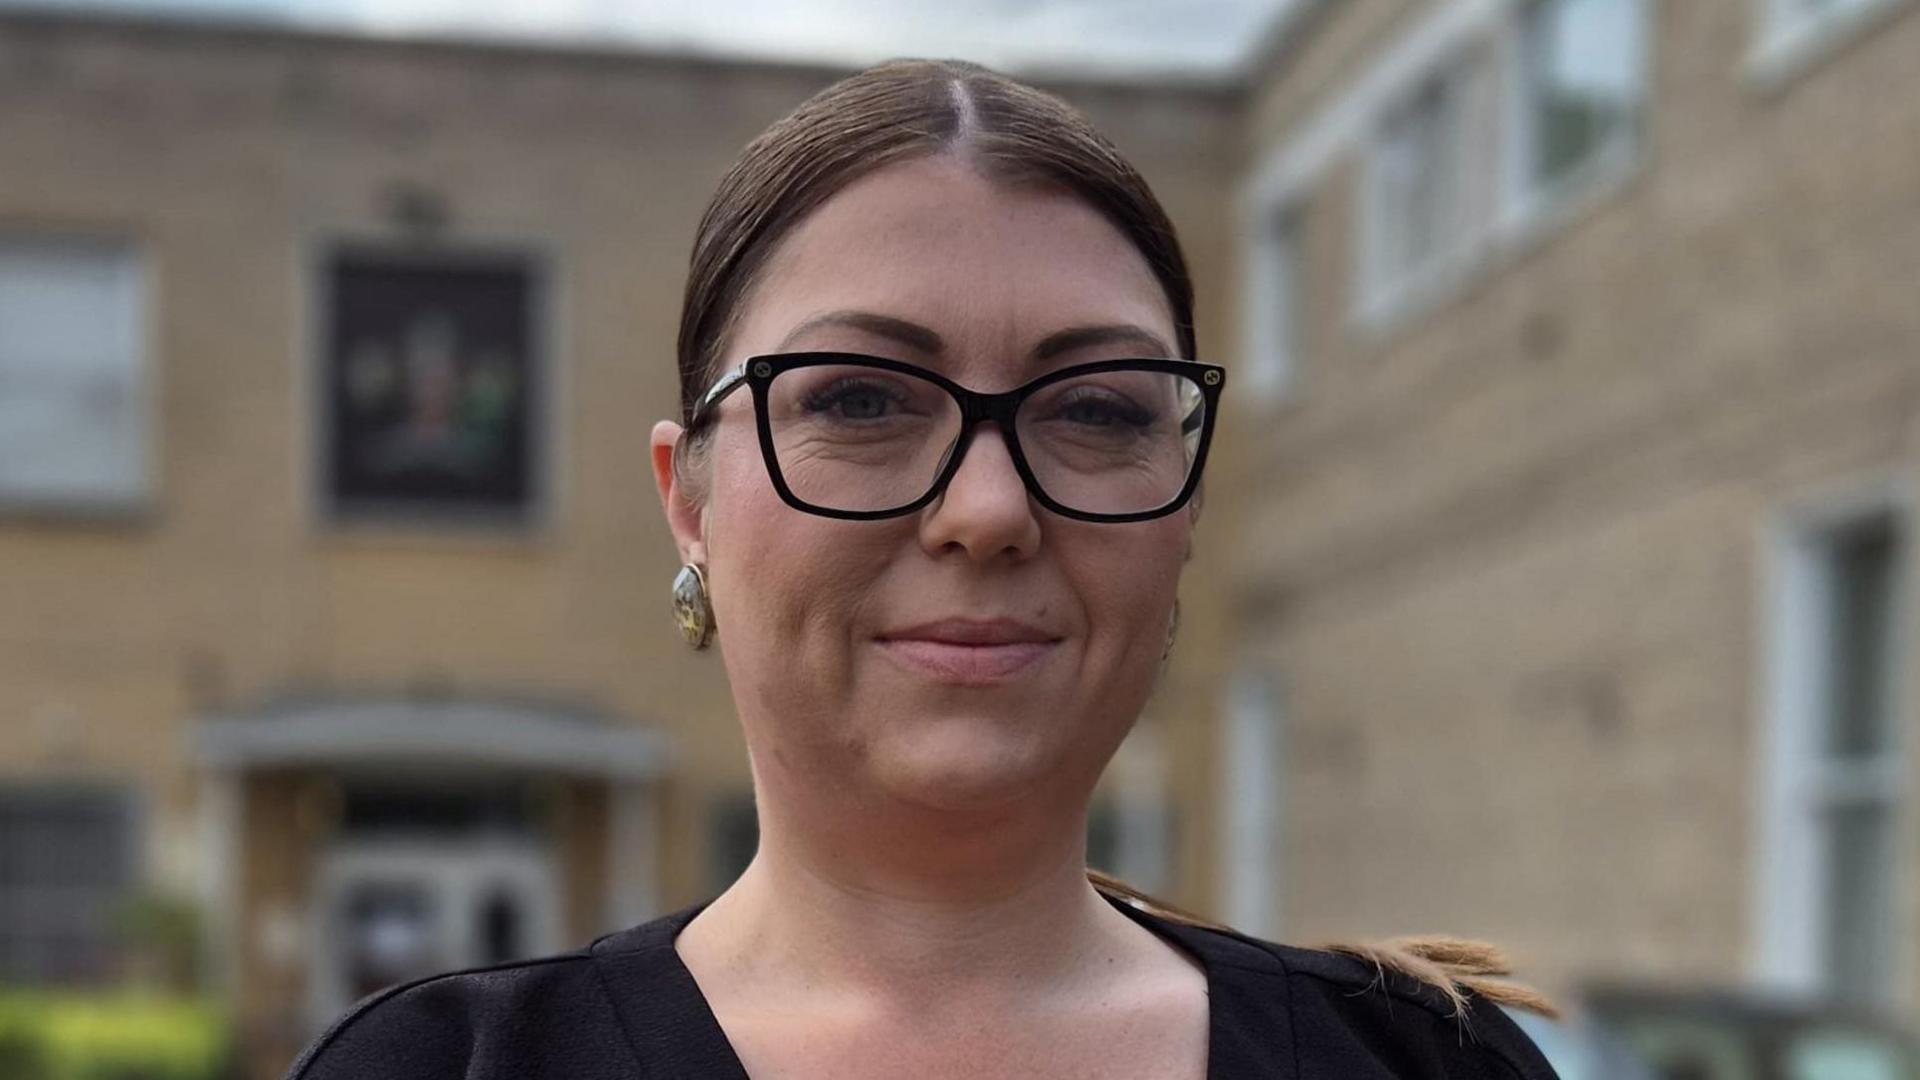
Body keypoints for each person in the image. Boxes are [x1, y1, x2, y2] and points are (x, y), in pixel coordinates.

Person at [286, 58, 1562, 1079]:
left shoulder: (1424, 1065)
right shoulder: (439, 1069)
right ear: (689, 502)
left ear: (1183, 514)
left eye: (1098, 409)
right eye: (859, 399)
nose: (988, 510)